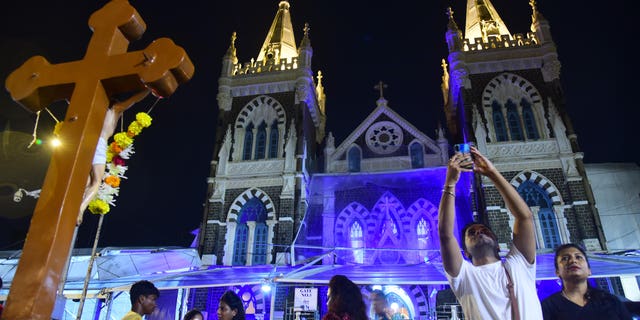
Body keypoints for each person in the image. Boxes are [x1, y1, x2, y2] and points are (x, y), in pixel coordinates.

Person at [438, 146, 542, 319]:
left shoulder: (518, 264)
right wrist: (450, 184)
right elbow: (445, 234)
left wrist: (492, 173)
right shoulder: (464, 276)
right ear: (465, 252)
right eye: (471, 233)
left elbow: (524, 217)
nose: (478, 232)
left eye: (484, 230)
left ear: (497, 243)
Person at [78, 89, 150, 222]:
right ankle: (81, 208)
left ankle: (77, 203)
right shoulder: (115, 109)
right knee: (96, 181)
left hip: (84, 142)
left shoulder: (95, 108)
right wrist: (149, 89)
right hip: (99, 143)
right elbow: (134, 99)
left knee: (86, 180)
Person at [541, 243, 632, 319]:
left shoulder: (610, 301)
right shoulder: (547, 307)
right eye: (565, 258)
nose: (573, 260)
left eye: (578, 257)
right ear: (557, 272)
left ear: (589, 270)